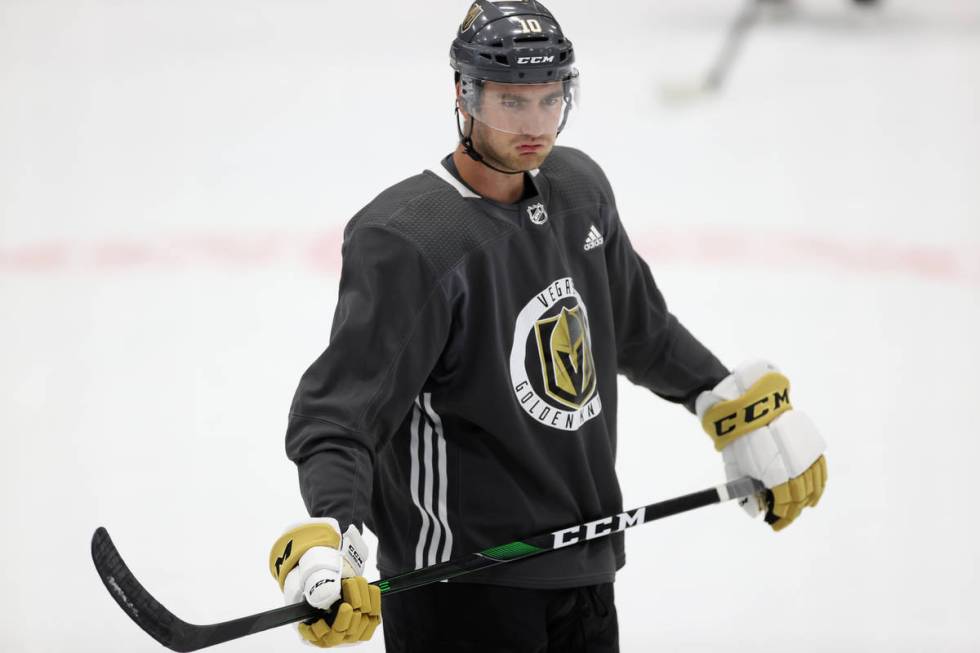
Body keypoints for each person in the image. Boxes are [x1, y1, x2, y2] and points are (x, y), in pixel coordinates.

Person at [266, 2, 828, 651]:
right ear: (463, 94)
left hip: (586, 568)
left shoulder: (579, 191)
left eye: (550, 100)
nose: (534, 125)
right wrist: (339, 532)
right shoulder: (411, 239)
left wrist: (725, 400)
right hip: (464, 592)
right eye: (511, 102)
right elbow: (337, 417)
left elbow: (639, 329)